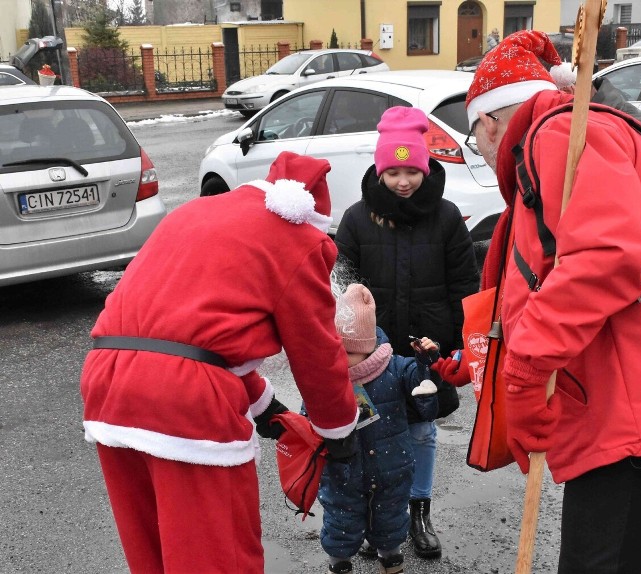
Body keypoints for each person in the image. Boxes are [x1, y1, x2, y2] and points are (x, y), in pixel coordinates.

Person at [463, 30, 641, 573]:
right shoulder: (572, 132)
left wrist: (525, 373)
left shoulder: (558, 135)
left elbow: (613, 253)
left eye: (473, 135)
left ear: (488, 122)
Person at [79, 151, 360, 574]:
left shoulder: (196, 213)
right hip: (186, 403)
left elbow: (190, 330)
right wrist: (337, 429)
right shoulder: (297, 240)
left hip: (106, 380)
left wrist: (265, 405)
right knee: (217, 553)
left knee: (151, 545)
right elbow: (317, 353)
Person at [334, 106, 480, 560]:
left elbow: (465, 286)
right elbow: (339, 284)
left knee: (420, 431)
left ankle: (417, 508)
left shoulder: (447, 216)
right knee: (365, 431)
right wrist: (345, 344)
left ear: (425, 167)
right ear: (379, 170)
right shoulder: (358, 218)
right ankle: (368, 514)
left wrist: (456, 343)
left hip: (425, 350)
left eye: (411, 171)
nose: (403, 181)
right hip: (366, 354)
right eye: (393, 171)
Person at [315, 282, 441, 574]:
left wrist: (425, 368)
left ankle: (390, 558)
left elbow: (423, 396)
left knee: (390, 519)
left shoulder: (396, 367)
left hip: (391, 467)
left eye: (348, 352)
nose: (341, 360)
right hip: (342, 472)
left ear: (367, 345)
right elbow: (310, 416)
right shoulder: (327, 377)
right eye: (336, 351)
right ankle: (339, 563)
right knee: (340, 522)